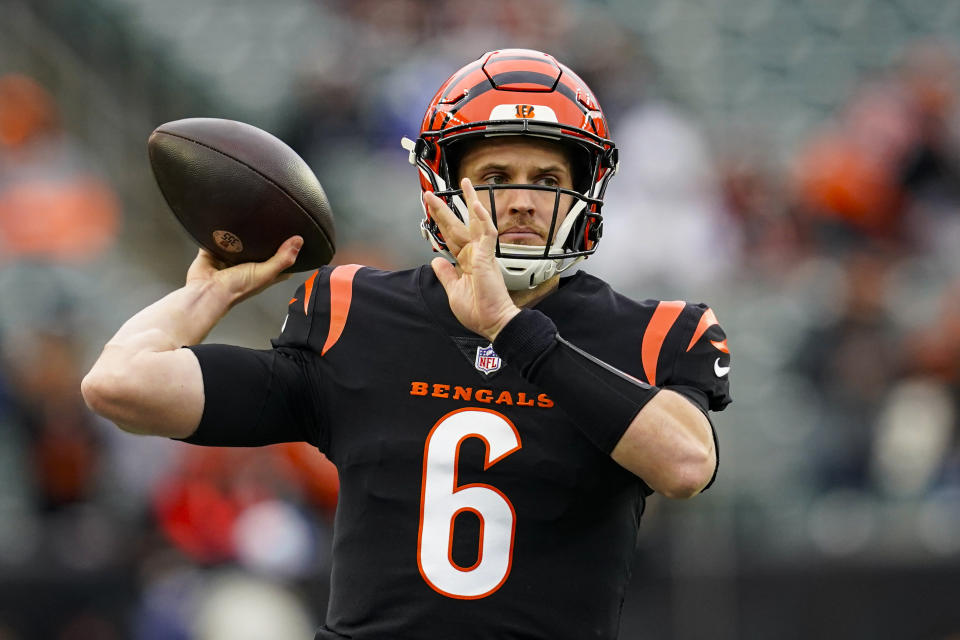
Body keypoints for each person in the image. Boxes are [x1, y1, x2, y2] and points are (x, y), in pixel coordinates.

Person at [82, 49, 732, 640]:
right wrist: (211, 293)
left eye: (547, 176)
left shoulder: (649, 331)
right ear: (442, 185)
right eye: (498, 174)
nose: (524, 201)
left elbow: (684, 465)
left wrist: (512, 330)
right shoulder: (357, 315)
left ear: (583, 190)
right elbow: (119, 384)